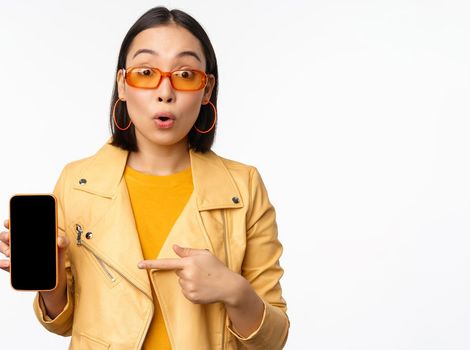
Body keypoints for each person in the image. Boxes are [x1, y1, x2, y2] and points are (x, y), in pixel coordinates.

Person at [0, 6, 289, 349]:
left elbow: (273, 338)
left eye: (184, 74)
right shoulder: (78, 182)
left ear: (207, 89)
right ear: (122, 84)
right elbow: (63, 322)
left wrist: (235, 291)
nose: (165, 92)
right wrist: (51, 279)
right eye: (146, 72)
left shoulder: (243, 186)